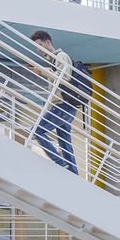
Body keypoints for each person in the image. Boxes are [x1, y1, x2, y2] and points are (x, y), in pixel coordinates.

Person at [30, 30, 80, 175]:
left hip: (63, 105)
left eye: (40, 45)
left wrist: (43, 72)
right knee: (64, 142)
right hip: (64, 105)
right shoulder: (53, 61)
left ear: (48, 42)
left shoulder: (61, 56)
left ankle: (60, 163)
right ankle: (72, 174)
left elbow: (65, 77)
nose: (39, 50)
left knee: (37, 130)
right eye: (36, 47)